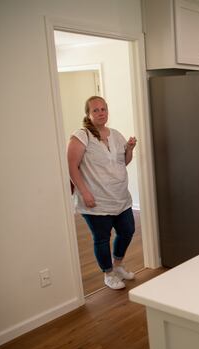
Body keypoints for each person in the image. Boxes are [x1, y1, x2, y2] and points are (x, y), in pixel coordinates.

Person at [67, 96, 138, 290]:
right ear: (88, 114)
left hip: (120, 197)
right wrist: (84, 193)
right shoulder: (81, 136)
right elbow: (71, 166)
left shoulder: (115, 134)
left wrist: (130, 149)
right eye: (95, 110)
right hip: (96, 201)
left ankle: (118, 265)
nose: (100, 113)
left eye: (103, 109)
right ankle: (108, 274)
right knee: (102, 238)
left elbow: (124, 162)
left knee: (127, 230)